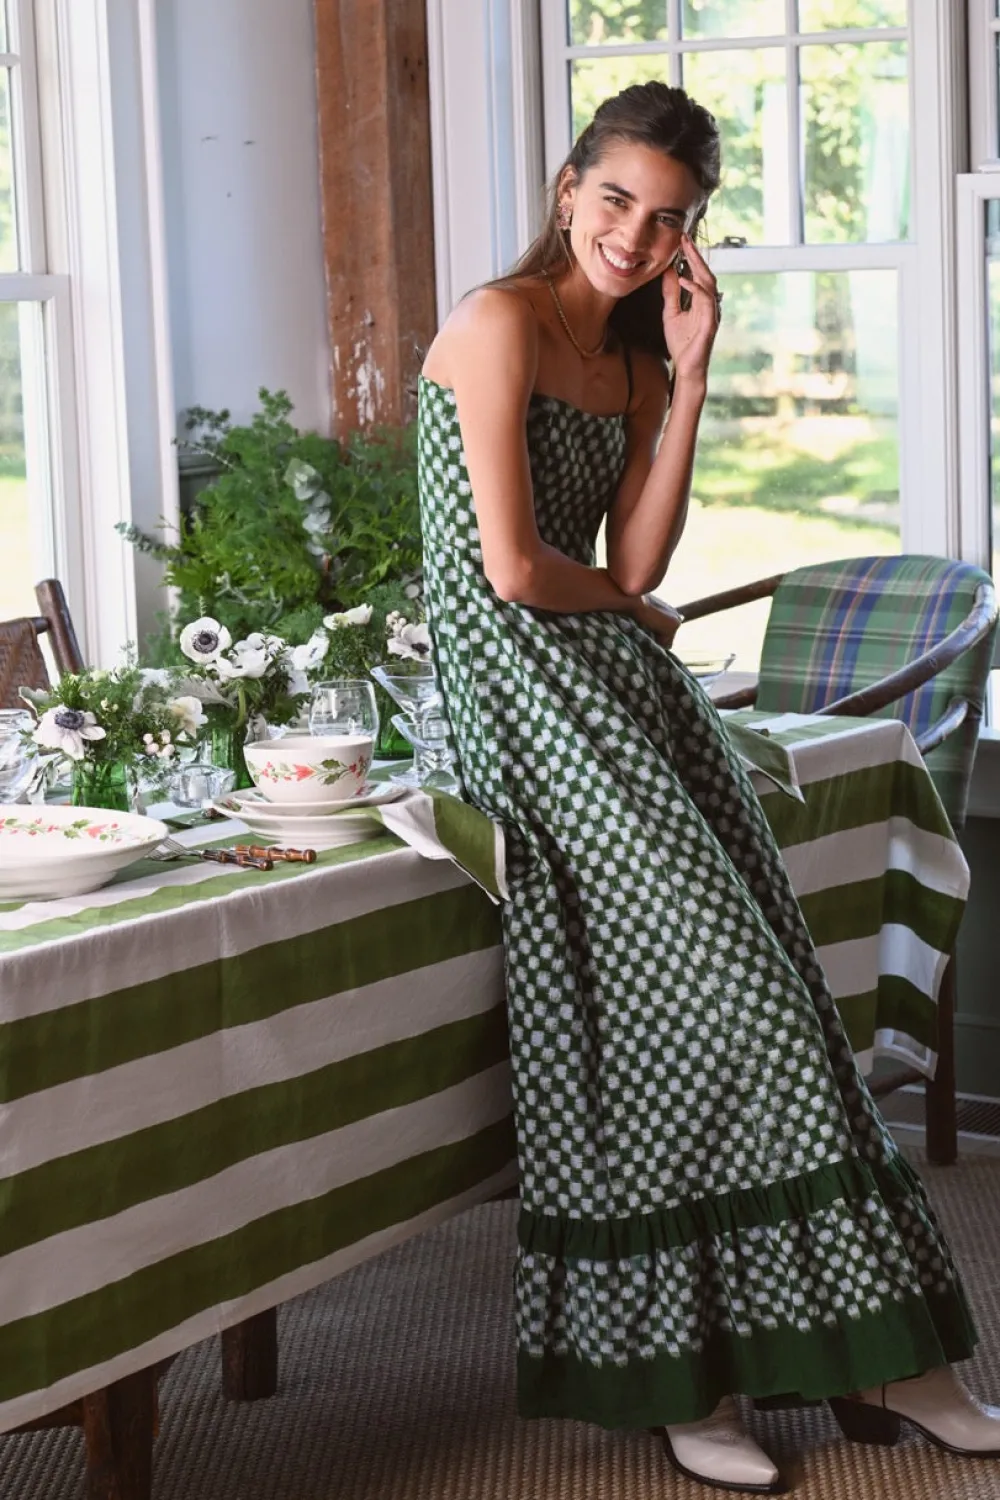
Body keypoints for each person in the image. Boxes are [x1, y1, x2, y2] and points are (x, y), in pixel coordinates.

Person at [417, 81, 1000, 1494]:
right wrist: (634, 613)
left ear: (692, 235)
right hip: (523, 708)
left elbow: (634, 563)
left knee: (751, 1003)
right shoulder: (496, 323)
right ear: (570, 186)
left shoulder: (627, 360)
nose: (634, 234)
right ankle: (707, 1371)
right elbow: (514, 571)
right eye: (616, 198)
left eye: (667, 217)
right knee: (728, 1004)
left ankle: (838, 1360)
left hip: (627, 697)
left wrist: (687, 378)